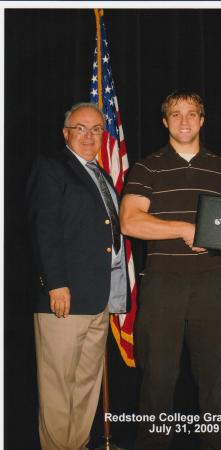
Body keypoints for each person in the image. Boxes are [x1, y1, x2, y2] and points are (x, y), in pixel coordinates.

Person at [120, 90, 221, 450]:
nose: (184, 120)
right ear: (165, 121)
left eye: (191, 114)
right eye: (175, 114)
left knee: (215, 381)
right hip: (162, 284)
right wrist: (185, 228)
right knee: (157, 379)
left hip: (213, 283)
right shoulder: (147, 167)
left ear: (202, 120)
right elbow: (129, 221)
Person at [27, 102, 129, 450]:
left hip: (97, 299)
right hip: (64, 299)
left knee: (86, 383)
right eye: (81, 128)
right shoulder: (52, 168)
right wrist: (56, 282)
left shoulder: (100, 175)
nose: (89, 136)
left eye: (97, 129)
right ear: (66, 133)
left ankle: (78, 444)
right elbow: (45, 229)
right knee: (59, 386)